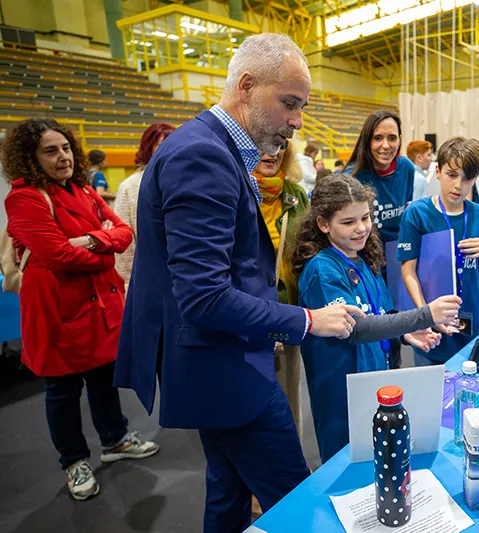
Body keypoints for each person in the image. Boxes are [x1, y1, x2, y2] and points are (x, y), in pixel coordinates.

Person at [113, 34, 366, 533]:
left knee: (227, 494)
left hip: (219, 361)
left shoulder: (215, 148)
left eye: (302, 107)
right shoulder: (202, 155)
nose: (297, 121)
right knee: (295, 500)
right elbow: (204, 296)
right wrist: (307, 319)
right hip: (223, 369)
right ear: (247, 86)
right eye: (290, 103)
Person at [3, 118, 158, 501]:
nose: (63, 157)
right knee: (62, 391)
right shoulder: (23, 198)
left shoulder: (83, 190)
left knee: (104, 379)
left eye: (66, 148)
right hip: (57, 312)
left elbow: (124, 233)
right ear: (30, 158)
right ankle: (74, 461)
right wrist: (103, 246)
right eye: (50, 151)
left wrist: (90, 240)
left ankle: (115, 440)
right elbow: (58, 255)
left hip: (98, 305)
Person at [293, 174, 461, 461]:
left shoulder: (364, 257)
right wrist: (424, 316)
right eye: (347, 222)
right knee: (346, 464)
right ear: (323, 224)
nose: (360, 229)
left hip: (375, 380)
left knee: (378, 459)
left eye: (365, 218)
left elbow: (381, 313)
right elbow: (355, 328)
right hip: (342, 394)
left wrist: (404, 333)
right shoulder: (323, 271)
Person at [397, 137, 479, 366]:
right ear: (438, 171)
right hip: (430, 326)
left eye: (467, 179)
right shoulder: (417, 214)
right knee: (428, 390)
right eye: (452, 175)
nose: (458, 185)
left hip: (472, 323)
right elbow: (408, 271)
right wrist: (425, 314)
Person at [252, 141, 309, 438]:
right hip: (249, 318)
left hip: (289, 315)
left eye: (280, 145)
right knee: (253, 404)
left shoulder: (295, 195)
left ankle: (292, 476)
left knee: (289, 399)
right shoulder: (237, 193)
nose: (272, 152)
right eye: (262, 145)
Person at [114, 122, 175, 286]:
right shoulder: (130, 186)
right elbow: (126, 240)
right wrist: (128, 282)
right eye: (162, 145)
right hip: (147, 278)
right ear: (148, 148)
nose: (170, 150)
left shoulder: (186, 182)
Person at [345, 110, 415, 247]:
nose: (386, 145)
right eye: (377, 138)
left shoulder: (407, 168)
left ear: (400, 140)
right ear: (367, 141)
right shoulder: (352, 178)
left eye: (392, 138)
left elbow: (406, 208)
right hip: (365, 254)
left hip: (397, 251)